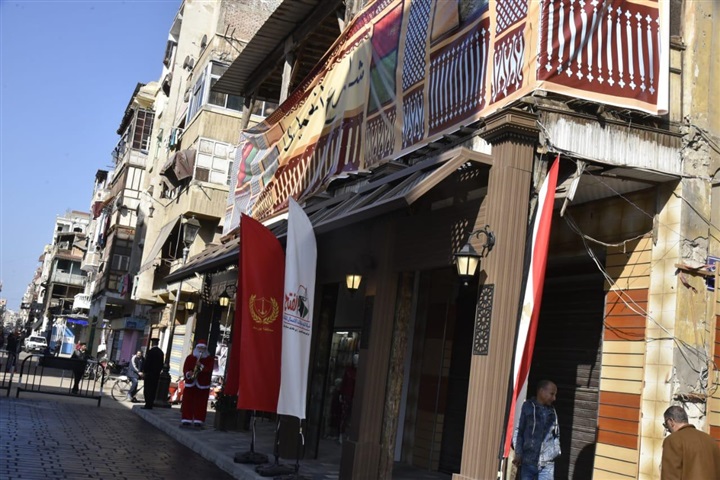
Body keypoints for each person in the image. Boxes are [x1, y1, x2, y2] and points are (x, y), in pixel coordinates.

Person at [513, 380, 561, 480]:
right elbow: (519, 431)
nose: (554, 398)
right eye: (552, 394)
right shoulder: (527, 407)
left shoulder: (552, 411)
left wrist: (556, 451)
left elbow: (556, 435)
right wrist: (518, 453)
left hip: (547, 464)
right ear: (541, 391)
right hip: (528, 462)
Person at [661, 405, 720, 479]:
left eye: (666, 425)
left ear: (671, 421)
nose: (667, 429)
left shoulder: (672, 440)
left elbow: (670, 477)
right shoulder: (711, 441)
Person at [180, 340, 214, 428]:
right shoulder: (190, 358)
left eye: (203, 348)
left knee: (201, 403)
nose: (201, 350)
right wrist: (188, 374)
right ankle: (186, 419)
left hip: (203, 384)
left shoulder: (209, 359)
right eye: (199, 348)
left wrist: (201, 365)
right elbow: (185, 368)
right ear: (196, 348)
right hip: (191, 383)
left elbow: (209, 370)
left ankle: (198, 420)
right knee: (188, 401)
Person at [142, 339, 164, 409]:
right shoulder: (161, 352)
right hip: (156, 375)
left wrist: (144, 371)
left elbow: (147, 363)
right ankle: (151, 403)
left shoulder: (150, 352)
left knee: (147, 389)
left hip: (149, 374)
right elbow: (161, 364)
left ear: (152, 343)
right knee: (153, 389)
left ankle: (147, 404)